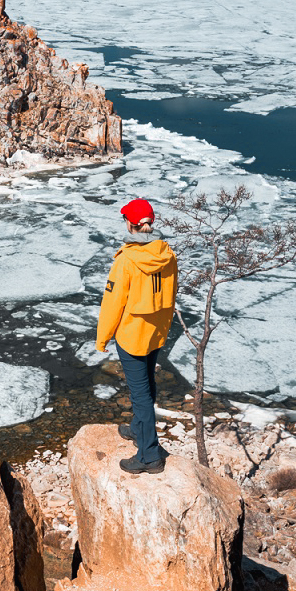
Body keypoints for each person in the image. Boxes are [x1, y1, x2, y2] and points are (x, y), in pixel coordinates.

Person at [95, 197, 178, 474]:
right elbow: (171, 294)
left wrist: (103, 337)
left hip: (132, 336)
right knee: (147, 386)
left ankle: (149, 456)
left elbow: (113, 303)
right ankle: (139, 429)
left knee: (140, 394)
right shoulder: (167, 254)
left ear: (130, 225)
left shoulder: (127, 260)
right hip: (155, 332)